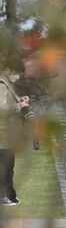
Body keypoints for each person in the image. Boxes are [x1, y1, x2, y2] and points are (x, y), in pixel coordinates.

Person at [0, 56, 37, 206]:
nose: (17, 75)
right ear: (7, 70)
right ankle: (3, 197)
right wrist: (19, 106)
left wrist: (20, 100)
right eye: (16, 72)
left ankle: (10, 196)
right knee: (5, 167)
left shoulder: (7, 84)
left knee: (9, 167)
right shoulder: (2, 85)